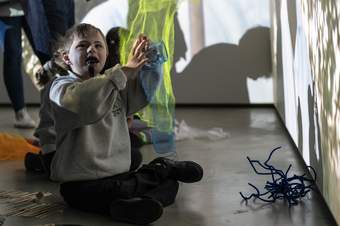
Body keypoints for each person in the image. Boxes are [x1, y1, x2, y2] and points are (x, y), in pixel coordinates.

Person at [49, 23, 203, 225]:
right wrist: (122, 72)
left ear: (105, 54)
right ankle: (157, 174)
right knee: (110, 192)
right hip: (82, 185)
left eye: (98, 45)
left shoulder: (112, 84)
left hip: (119, 176)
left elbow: (142, 95)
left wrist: (151, 65)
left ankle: (136, 203)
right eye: (82, 45)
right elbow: (85, 101)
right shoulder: (61, 88)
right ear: (66, 58)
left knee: (170, 185)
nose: (91, 49)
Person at [0, 0, 36, 128]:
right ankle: (20, 112)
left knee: (46, 51)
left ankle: (61, 106)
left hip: (33, 6)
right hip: (6, 8)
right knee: (13, 54)